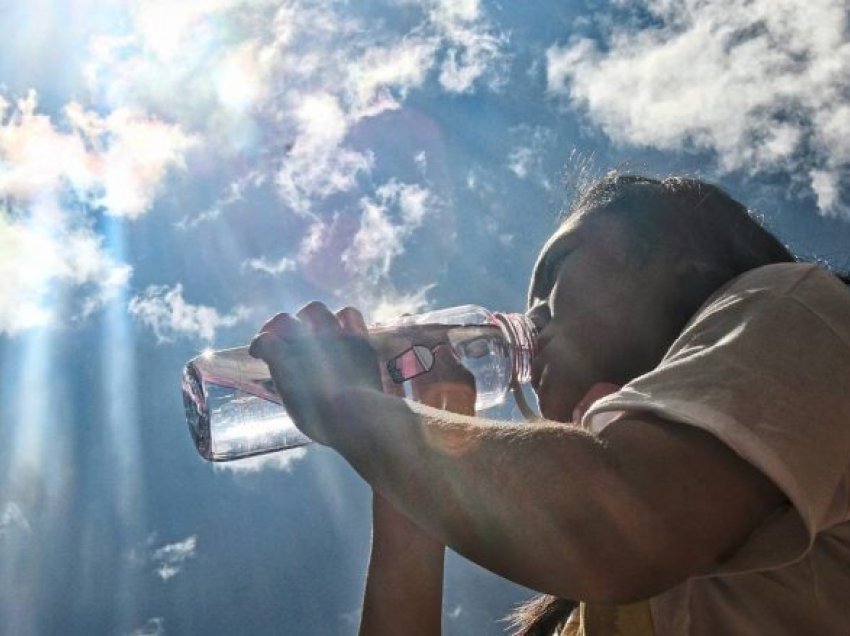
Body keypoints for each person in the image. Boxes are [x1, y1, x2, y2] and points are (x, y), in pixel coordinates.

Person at [250, 174, 850, 635]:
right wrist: (411, 467)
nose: (529, 318)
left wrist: (350, 413)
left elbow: (628, 523)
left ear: (682, 256)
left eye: (555, 272)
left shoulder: (797, 310)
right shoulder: (587, 608)